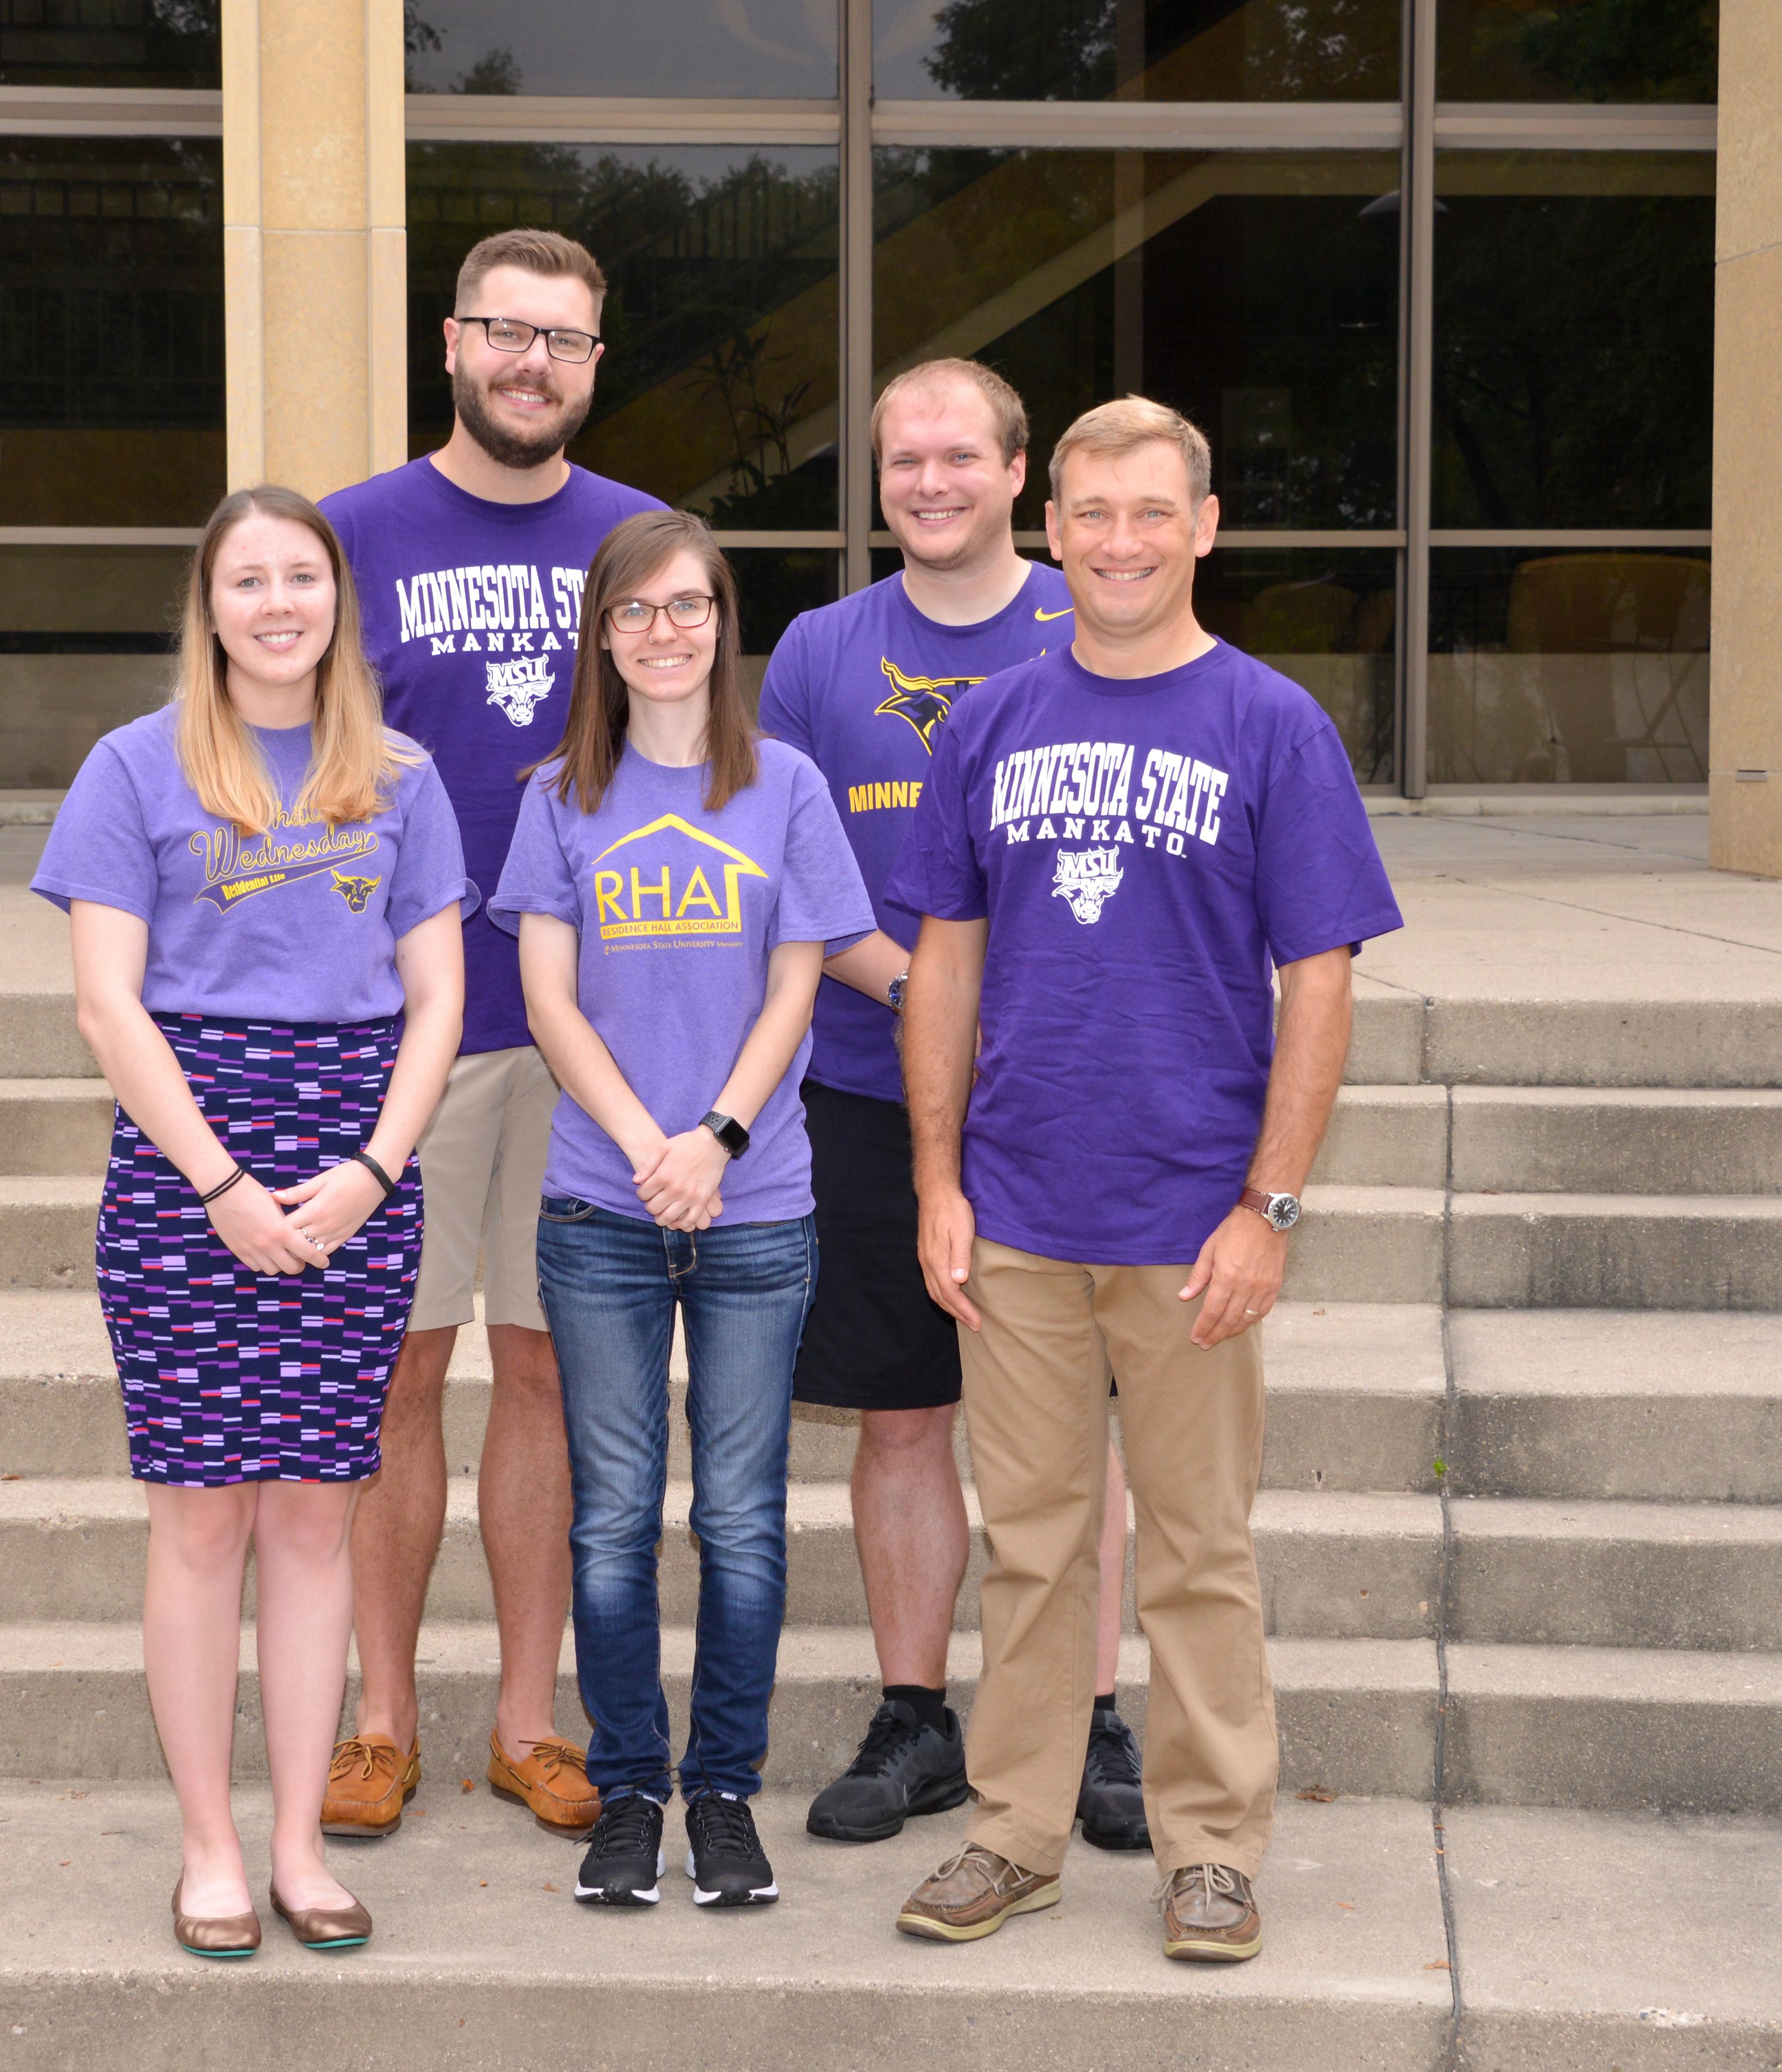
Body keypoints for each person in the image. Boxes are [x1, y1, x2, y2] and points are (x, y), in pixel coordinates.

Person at [885, 397, 1403, 1957]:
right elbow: (944, 969)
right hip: (1023, 1213)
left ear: (1205, 526)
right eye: (1093, 514)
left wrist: (1272, 1205)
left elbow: (1320, 978)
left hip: (1192, 1224)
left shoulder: (1271, 725)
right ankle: (1016, 1833)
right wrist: (937, 1180)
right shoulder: (988, 722)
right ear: (1055, 528)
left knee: (1196, 1551)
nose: (1120, 542)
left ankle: (1211, 1848)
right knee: (1032, 1543)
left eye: (1150, 513)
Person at [32, 486, 471, 1956]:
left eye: (304, 577)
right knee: (203, 1519)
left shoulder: (402, 774)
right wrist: (219, 1182)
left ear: (339, 600)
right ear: (208, 606)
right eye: (248, 580)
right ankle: (208, 1847)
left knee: (313, 1520)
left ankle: (297, 1844)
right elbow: (109, 1004)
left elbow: (437, 1003)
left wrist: (374, 1171)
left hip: (356, 1161)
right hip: (187, 1164)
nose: (279, 603)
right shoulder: (133, 767)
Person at [760, 358, 1147, 1854]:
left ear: (1016, 471)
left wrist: (1000, 1013)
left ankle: (1085, 1715)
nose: (929, 481)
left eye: (957, 457)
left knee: (1077, 1437)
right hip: (863, 1088)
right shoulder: (817, 648)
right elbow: (795, 873)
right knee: (906, 1418)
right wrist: (931, 999)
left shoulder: (1099, 611)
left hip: (1065, 1102)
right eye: (902, 459)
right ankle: (917, 1718)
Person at [319, 228, 664, 1841]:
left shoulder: (643, 544)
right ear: (452, 342)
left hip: (593, 1030)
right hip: (407, 1030)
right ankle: (380, 1719)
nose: (535, 365)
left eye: (567, 343)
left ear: (597, 364)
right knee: (398, 1378)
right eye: (509, 334)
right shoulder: (352, 534)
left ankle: (530, 1720)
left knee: (546, 1373)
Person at [490, 509, 873, 1909]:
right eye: (639, 609)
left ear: (724, 624)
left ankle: (722, 1792)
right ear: (602, 634)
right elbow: (546, 997)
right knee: (608, 1521)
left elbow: (797, 985)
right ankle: (628, 1787)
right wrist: (650, 1142)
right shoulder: (555, 800)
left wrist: (713, 1138)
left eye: (692, 606)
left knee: (744, 1518)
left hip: (758, 1204)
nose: (667, 631)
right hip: (599, 1207)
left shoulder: (784, 787)